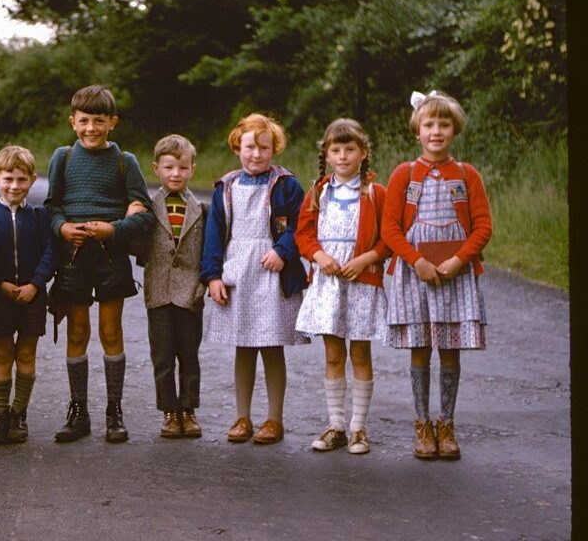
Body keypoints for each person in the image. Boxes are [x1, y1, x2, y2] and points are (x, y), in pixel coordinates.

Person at [381, 91, 491, 460]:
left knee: (449, 347)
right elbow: (390, 230)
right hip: (415, 277)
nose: (437, 131)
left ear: (454, 130)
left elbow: (483, 227)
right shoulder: (404, 174)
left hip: (455, 276)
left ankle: (447, 423)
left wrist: (459, 261)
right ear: (417, 131)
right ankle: (421, 424)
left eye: (444, 124)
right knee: (420, 347)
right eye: (429, 124)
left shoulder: (466, 174)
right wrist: (417, 262)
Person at [45, 84, 155, 444]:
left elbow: (143, 213)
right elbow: (51, 206)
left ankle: (114, 411)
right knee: (77, 332)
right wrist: (62, 227)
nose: (91, 128)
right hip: (73, 256)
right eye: (84, 121)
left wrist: (114, 229)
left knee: (111, 331)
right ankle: (79, 411)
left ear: (113, 123)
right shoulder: (62, 157)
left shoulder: (126, 161)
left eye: (99, 121)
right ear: (72, 122)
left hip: (111, 255)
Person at [200, 113, 308, 446]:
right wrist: (212, 276)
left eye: (264, 148)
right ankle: (242, 416)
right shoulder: (227, 186)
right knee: (243, 348)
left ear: (274, 148)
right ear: (237, 147)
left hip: (271, 274)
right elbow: (214, 235)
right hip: (238, 274)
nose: (256, 155)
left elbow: (299, 226)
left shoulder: (286, 184)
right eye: (250, 147)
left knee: (271, 347)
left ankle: (274, 418)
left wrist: (283, 251)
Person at [294, 119, 391, 455]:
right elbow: (303, 235)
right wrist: (319, 256)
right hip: (327, 284)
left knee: (360, 353)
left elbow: (388, 239)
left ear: (363, 153)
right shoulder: (318, 192)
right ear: (328, 154)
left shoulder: (376, 194)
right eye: (336, 150)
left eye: (350, 149)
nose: (343, 156)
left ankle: (358, 428)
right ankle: (336, 424)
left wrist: (365, 260)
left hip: (361, 283)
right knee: (333, 354)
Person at [0, 145, 57, 445]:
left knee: (25, 353)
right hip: (0, 297)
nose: (14, 186)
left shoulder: (39, 217)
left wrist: (36, 284)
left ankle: (19, 413)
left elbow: (51, 252)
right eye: (8, 179)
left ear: (33, 180)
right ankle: (0, 416)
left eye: (21, 180)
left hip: (33, 296)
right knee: (2, 355)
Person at [138, 134, 208, 439]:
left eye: (182, 167)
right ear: (157, 168)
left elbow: (209, 250)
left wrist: (203, 284)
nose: (175, 174)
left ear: (192, 168)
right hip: (159, 292)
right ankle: (169, 411)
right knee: (162, 355)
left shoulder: (202, 210)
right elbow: (137, 246)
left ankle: (189, 410)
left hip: (190, 291)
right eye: (169, 167)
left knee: (189, 354)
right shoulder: (146, 209)